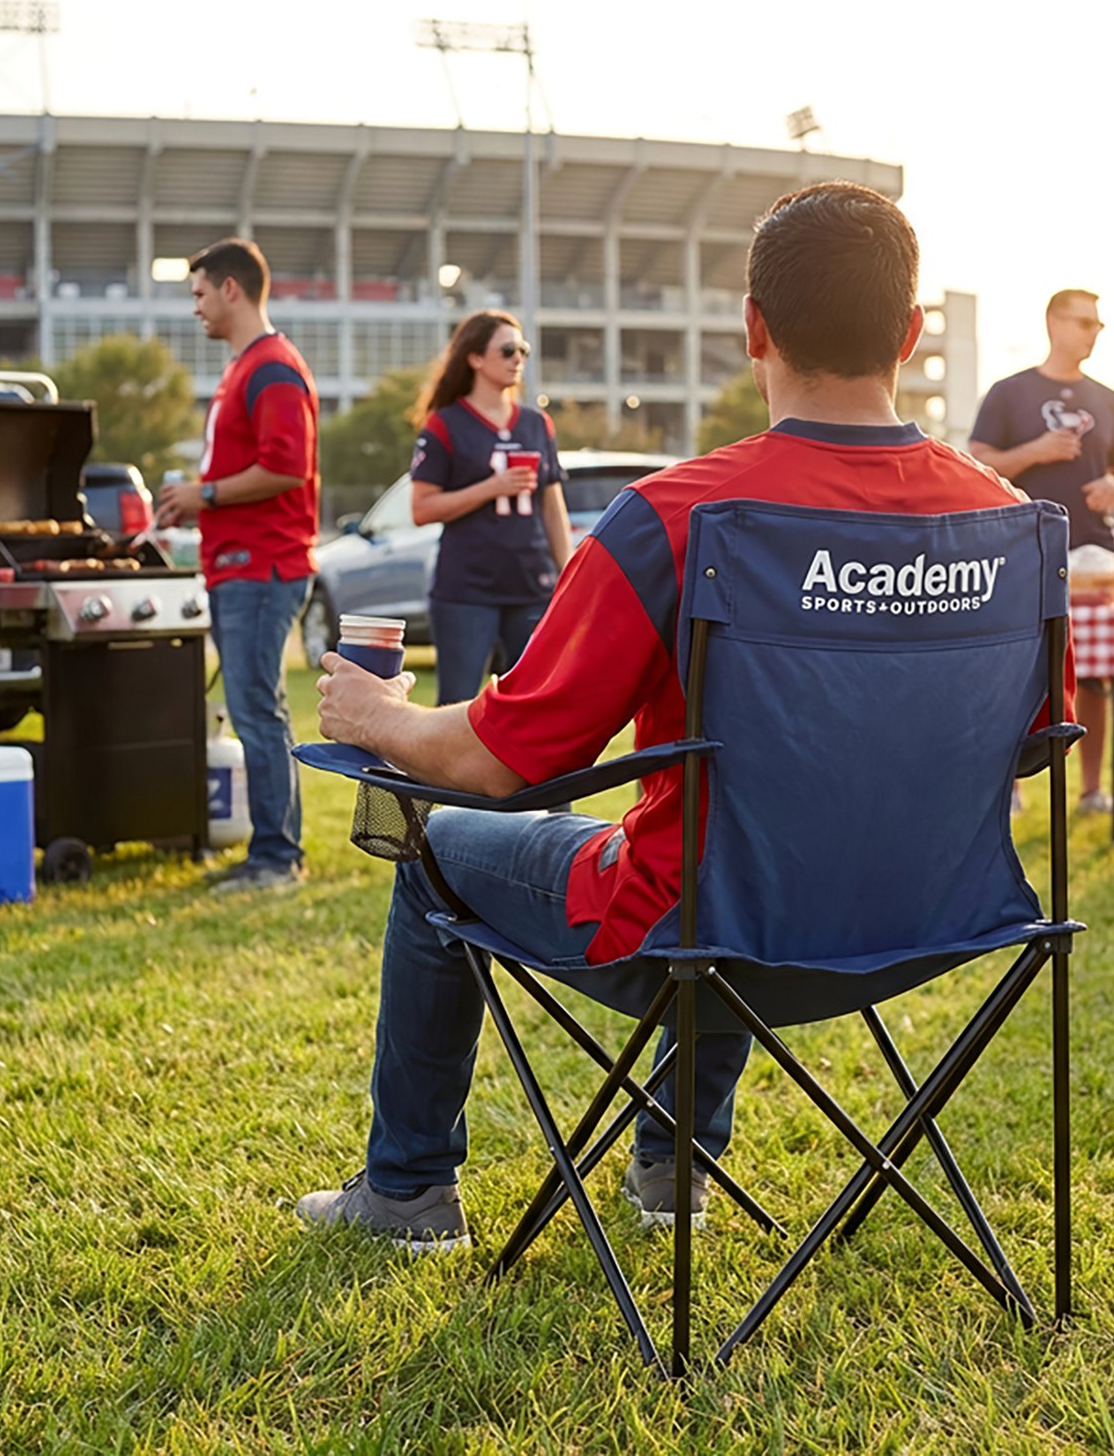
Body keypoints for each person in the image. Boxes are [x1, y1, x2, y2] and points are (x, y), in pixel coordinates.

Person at [294, 182, 1067, 1251]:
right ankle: (674, 1164)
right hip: (932, 921)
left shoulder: (674, 514)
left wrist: (379, 715)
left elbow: (498, 760)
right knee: (743, 829)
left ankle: (408, 1190)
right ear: (910, 333)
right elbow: (1029, 749)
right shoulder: (1012, 525)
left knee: (445, 851)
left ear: (753, 325)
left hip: (702, 936)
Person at [156, 239, 319, 892]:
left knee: (257, 712)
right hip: (238, 567)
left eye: (198, 293)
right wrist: (195, 504)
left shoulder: (273, 368)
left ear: (231, 289)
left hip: (264, 569)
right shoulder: (243, 368)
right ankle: (274, 852)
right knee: (257, 708)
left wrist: (207, 495)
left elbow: (286, 467)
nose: (194, 307)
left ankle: (277, 860)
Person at [969, 290, 1114, 817]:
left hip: (1094, 552)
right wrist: (1035, 452)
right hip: (1023, 548)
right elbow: (977, 463)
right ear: (1054, 322)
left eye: (1099, 324)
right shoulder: (1009, 393)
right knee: (1014, 668)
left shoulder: (1108, 398)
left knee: (1094, 672)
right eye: (1084, 321)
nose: (1093, 332)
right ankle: (1011, 791)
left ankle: (1092, 793)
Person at [410, 312, 572, 705]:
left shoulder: (537, 424)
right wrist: (490, 488)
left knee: (531, 703)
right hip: (467, 589)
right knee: (457, 704)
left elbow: (552, 507)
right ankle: (443, 771)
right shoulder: (445, 424)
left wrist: (568, 573)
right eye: (507, 350)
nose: (518, 358)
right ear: (475, 358)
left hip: (531, 585)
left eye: (523, 350)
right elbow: (422, 508)